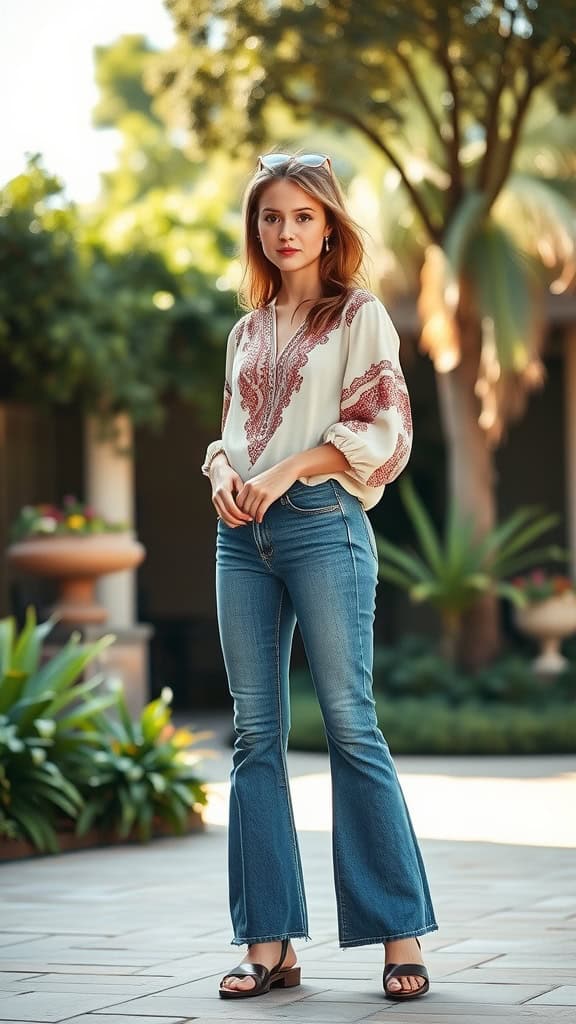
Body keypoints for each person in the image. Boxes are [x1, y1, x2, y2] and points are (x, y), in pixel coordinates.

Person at [201, 152, 438, 1002]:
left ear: (330, 226)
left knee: (350, 724)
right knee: (254, 737)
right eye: (271, 218)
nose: (287, 232)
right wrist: (227, 472)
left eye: (303, 216)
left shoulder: (360, 316)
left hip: (320, 525)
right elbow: (230, 431)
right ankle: (269, 946)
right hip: (241, 538)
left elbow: (379, 427)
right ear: (256, 230)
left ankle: (397, 935)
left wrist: (284, 471)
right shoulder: (245, 330)